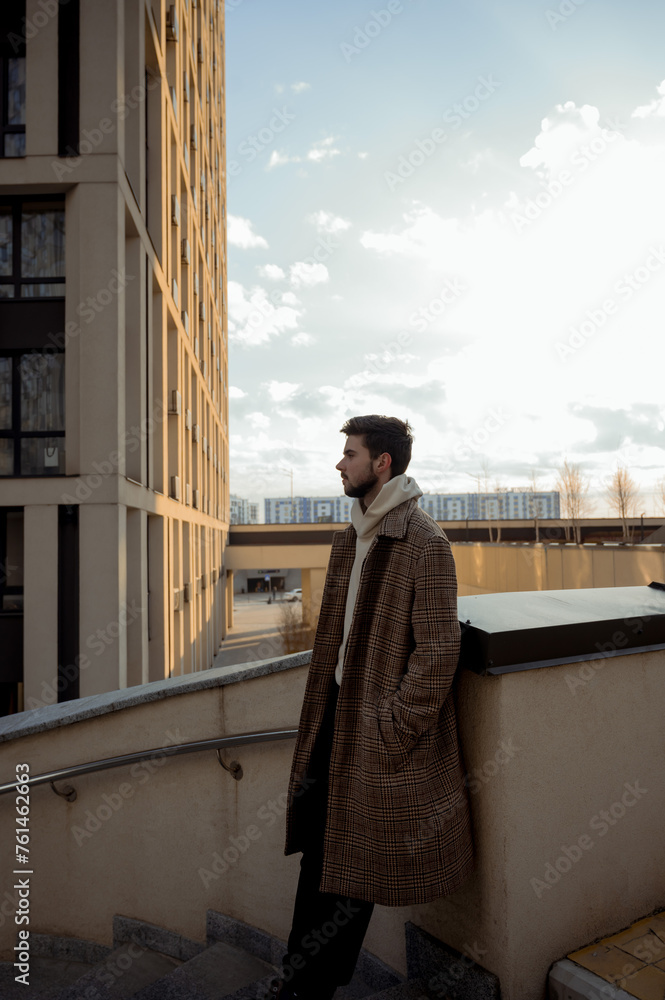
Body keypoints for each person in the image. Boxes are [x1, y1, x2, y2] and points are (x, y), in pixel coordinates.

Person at [268, 415, 474, 1000]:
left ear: (382, 463)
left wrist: (388, 728)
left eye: (350, 454)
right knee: (320, 851)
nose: (340, 463)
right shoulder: (352, 536)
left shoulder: (425, 543)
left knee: (349, 871)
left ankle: (307, 986)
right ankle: (297, 972)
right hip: (332, 719)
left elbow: (437, 654)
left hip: (375, 733)